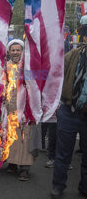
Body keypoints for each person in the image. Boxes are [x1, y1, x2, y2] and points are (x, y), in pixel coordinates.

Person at [51, 34, 87, 198]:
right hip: (68, 110)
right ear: (85, 38)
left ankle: (84, 187)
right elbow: (55, 72)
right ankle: (58, 186)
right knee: (63, 153)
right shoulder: (72, 55)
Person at [0, 39, 39, 181]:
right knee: (11, 137)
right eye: (13, 50)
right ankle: (12, 163)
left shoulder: (29, 67)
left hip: (26, 111)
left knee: (26, 139)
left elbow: (36, 87)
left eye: (18, 50)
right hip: (10, 110)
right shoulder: (4, 67)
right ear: (9, 52)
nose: (16, 52)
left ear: (23, 52)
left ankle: (24, 169)